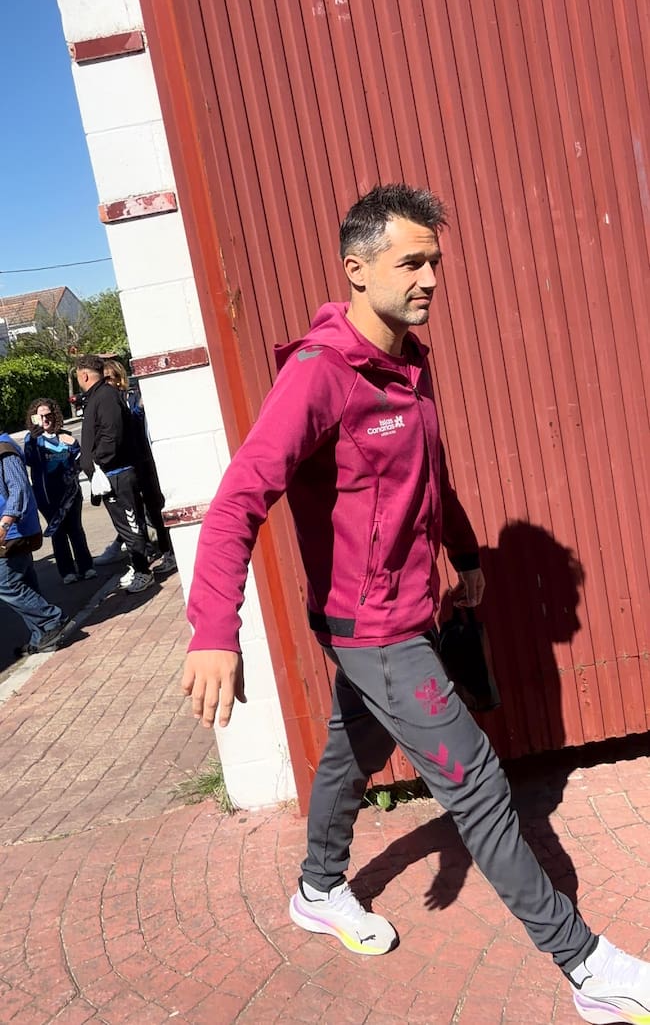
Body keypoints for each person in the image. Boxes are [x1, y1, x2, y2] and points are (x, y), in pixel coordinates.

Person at [182, 184, 650, 1024]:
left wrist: (462, 551)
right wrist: (215, 630)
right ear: (356, 270)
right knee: (481, 788)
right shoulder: (320, 376)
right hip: (375, 629)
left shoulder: (407, 360)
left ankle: (318, 888)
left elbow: (428, 474)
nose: (431, 277)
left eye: (434, 260)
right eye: (412, 262)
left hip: (407, 610)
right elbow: (237, 502)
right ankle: (589, 968)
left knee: (349, 753)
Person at [75, 354, 154, 595]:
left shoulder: (106, 397)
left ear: (84, 375)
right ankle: (137, 565)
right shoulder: (96, 398)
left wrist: (98, 461)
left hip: (117, 474)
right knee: (124, 526)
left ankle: (143, 571)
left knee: (131, 525)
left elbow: (112, 435)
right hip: (108, 476)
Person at [101, 359, 176, 582]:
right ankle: (143, 559)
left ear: (119, 378)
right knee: (136, 515)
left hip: (143, 461)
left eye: (109, 378)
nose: (107, 383)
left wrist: (137, 409)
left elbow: (135, 423)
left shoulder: (130, 397)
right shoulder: (108, 402)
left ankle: (168, 551)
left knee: (154, 508)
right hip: (128, 465)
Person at [0, 425, 70, 654]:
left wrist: (4, 523)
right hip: (15, 531)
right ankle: (42, 636)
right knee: (26, 583)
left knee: (7, 584)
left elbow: (18, 488)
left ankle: (53, 619)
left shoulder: (4, 450)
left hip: (13, 532)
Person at [23, 397, 96, 585]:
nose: (45, 419)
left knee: (76, 530)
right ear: (34, 418)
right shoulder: (33, 440)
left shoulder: (66, 437)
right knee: (58, 533)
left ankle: (86, 566)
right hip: (47, 497)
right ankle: (67, 571)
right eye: (40, 417)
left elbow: (81, 462)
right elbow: (29, 460)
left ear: (55, 415)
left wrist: (74, 445)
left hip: (71, 495)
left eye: (48, 415)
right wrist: (33, 439)